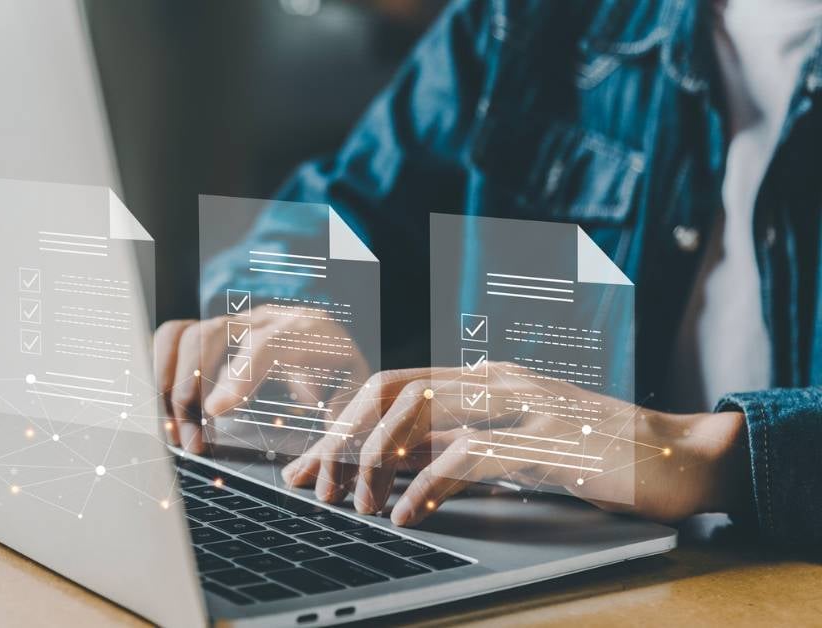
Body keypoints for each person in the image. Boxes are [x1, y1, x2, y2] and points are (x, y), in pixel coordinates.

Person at [156, 0, 822, 550]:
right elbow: (336, 214)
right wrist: (288, 312)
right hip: (572, 585)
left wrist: (691, 451)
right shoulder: (527, 18)